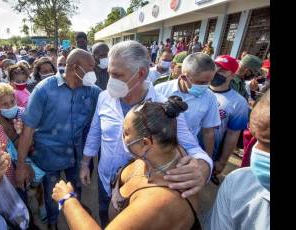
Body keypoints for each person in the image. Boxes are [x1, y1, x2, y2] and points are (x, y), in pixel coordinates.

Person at [81, 41, 212, 228]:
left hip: (139, 190)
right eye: (110, 74)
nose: (111, 81)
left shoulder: (162, 106)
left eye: (117, 75)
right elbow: (95, 132)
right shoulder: (104, 97)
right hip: (105, 179)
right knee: (105, 216)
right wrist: (85, 163)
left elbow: (193, 148)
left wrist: (202, 168)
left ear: (141, 73)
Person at [53, 98, 201, 230]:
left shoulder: (157, 201)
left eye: (125, 133)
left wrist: (67, 200)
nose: (121, 137)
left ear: (145, 143)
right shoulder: (164, 155)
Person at [17, 48, 101, 230]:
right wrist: (21, 164)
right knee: (51, 193)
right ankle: (53, 223)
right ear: (74, 67)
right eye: (90, 67)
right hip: (48, 155)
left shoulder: (93, 91)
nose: (94, 72)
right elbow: (27, 130)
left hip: (76, 155)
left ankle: (75, 217)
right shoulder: (44, 90)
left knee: (75, 188)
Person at [207, 89, 269, 230]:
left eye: (268, 144)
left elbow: (232, 134)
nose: (257, 150)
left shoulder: (238, 103)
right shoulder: (238, 182)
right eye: (255, 139)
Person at [155, 52, 221, 156]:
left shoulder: (210, 98)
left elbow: (208, 132)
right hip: (157, 151)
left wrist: (208, 160)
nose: (206, 86)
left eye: (209, 82)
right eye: (202, 82)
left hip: (187, 153)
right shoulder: (160, 90)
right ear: (184, 77)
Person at [207, 55, 249, 183]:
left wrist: (222, 161)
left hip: (210, 155)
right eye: (215, 68)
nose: (216, 73)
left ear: (232, 75)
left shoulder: (239, 102)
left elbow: (233, 134)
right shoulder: (197, 90)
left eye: (222, 71)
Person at [0, 82, 24, 147]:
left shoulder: (24, 114)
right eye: (4, 104)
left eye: (12, 102)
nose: (10, 106)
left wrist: (23, 133)